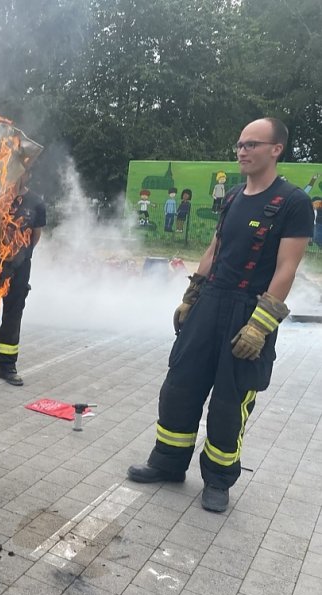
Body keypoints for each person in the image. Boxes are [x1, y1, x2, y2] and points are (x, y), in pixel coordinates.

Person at [127, 118, 314, 513]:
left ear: (276, 149)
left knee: (230, 401)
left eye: (252, 144)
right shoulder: (232, 196)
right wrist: (192, 295)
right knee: (180, 384)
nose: (242, 151)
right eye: (239, 144)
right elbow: (216, 247)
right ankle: (168, 462)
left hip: (248, 309)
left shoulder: (293, 203)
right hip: (210, 303)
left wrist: (260, 326)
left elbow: (286, 269)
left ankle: (218, 479)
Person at [0, 187, 48, 385]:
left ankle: (7, 365)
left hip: (19, 266)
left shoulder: (35, 202)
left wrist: (23, 254)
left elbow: (36, 235)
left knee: (13, 312)